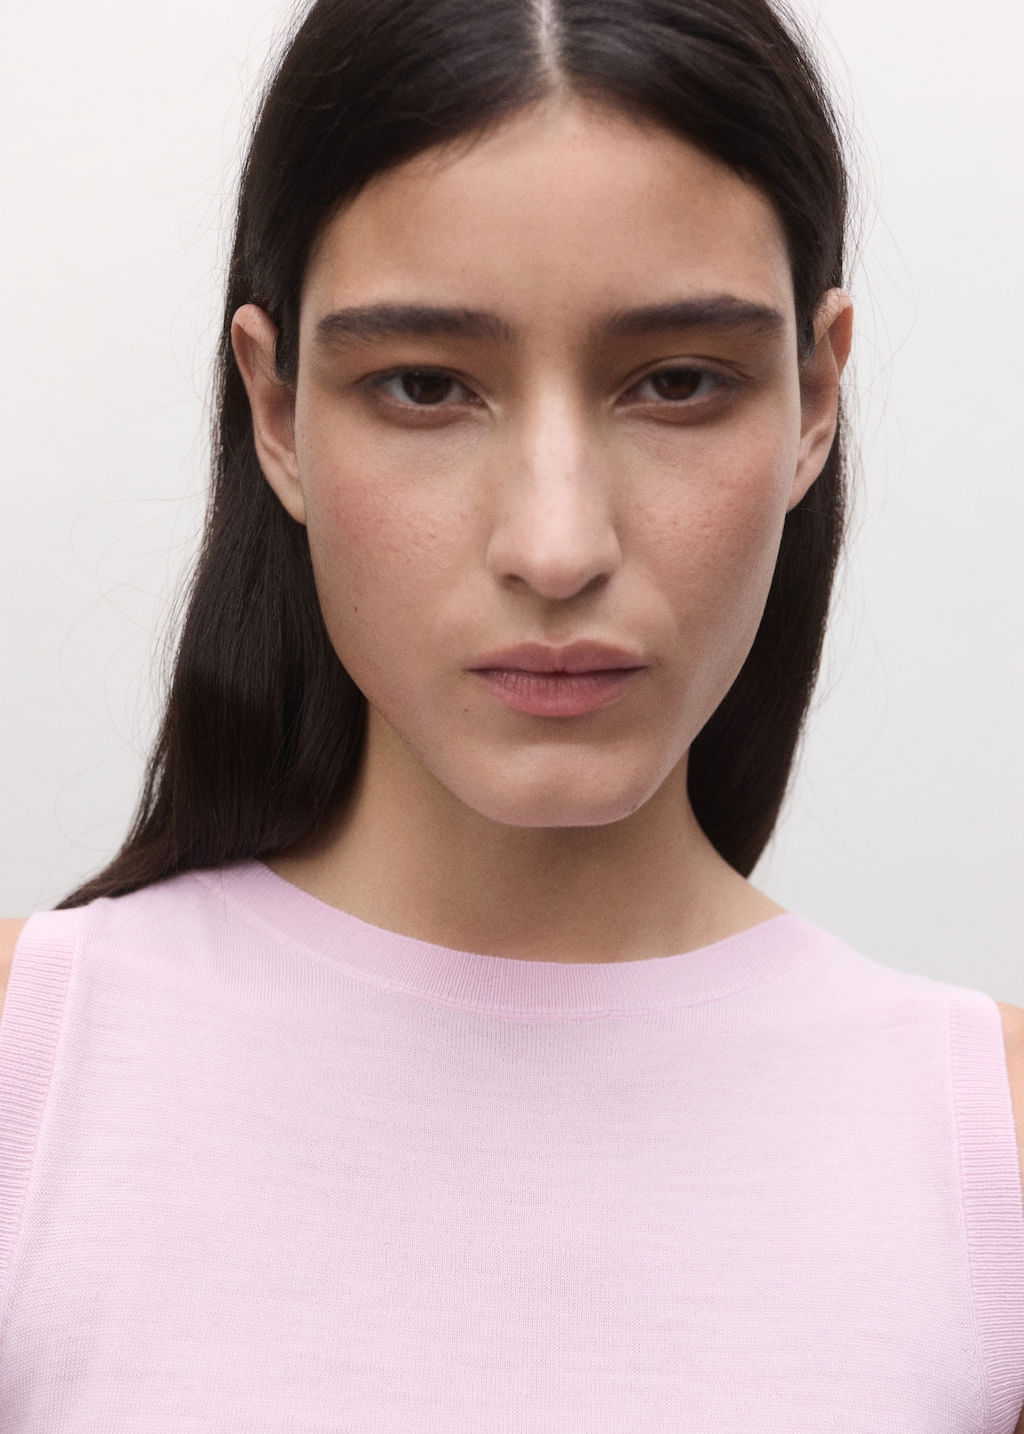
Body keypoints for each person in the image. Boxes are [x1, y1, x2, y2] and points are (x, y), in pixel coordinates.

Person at [0, 0, 1022, 1425]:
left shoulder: (989, 1139)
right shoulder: (33, 1064)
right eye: (426, 386)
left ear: (811, 398)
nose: (556, 546)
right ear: (277, 412)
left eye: (678, 382)